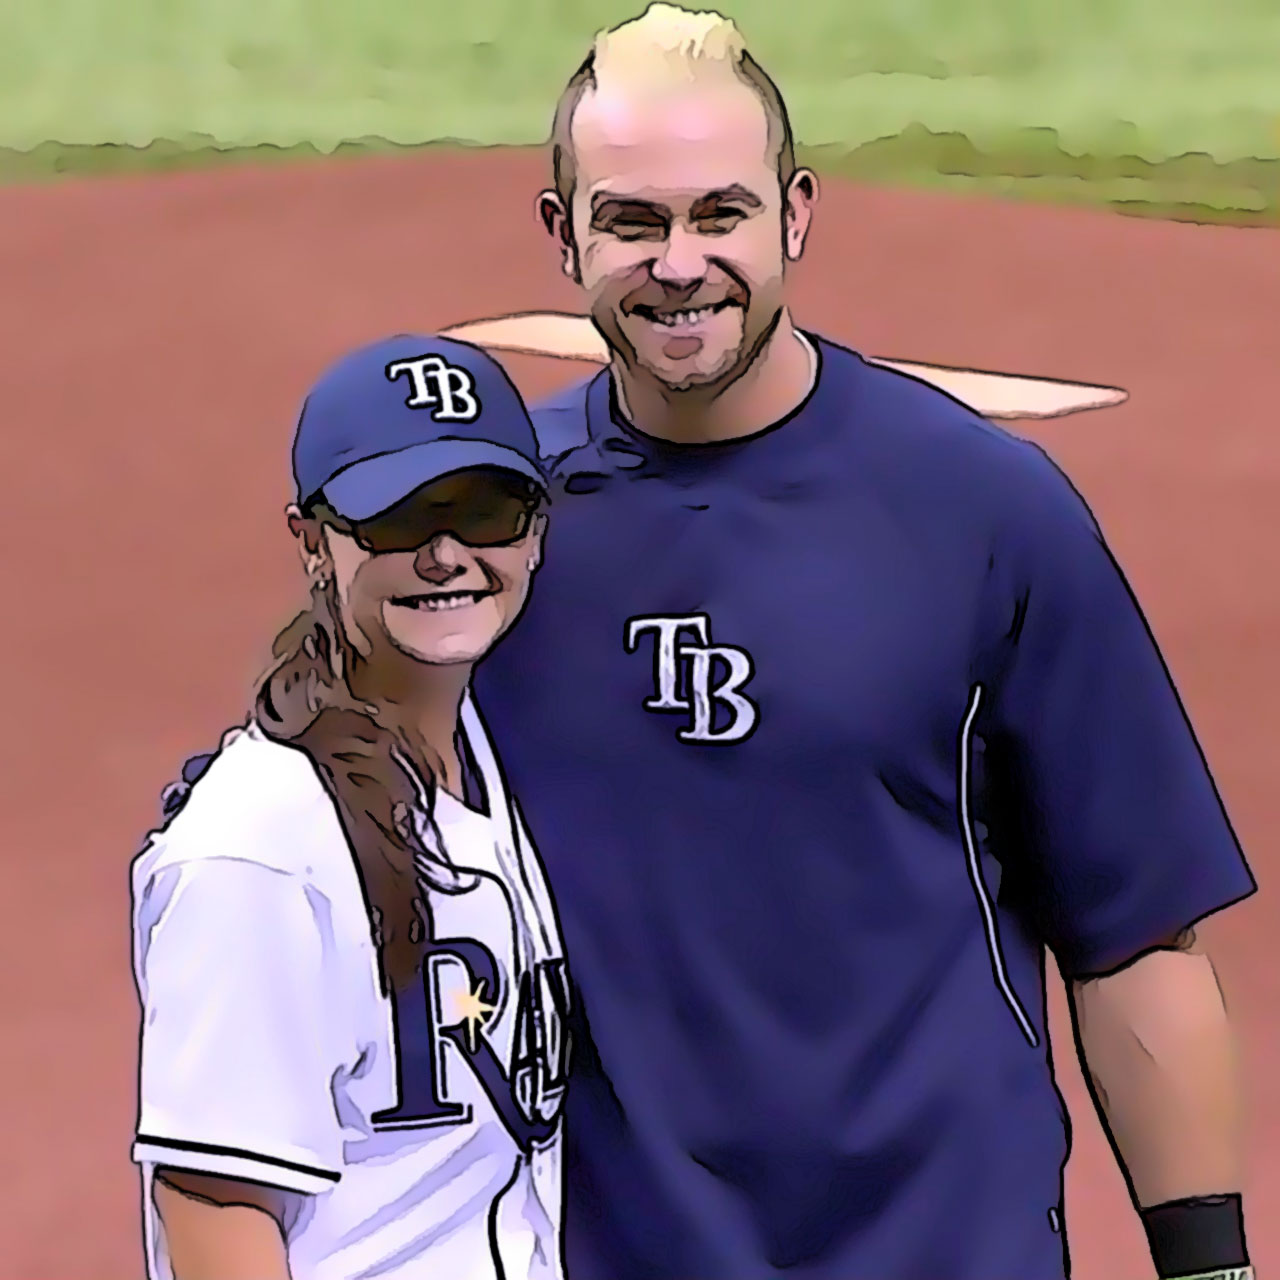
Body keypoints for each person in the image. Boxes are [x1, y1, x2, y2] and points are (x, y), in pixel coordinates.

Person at [160, 8, 1256, 1280]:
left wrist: (1207, 1262)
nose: (679, 262)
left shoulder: (984, 509)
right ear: (560, 233)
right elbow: (332, 771)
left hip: (944, 1246)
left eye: (718, 215)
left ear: (794, 214)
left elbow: (1134, 932)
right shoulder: (499, 534)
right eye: (630, 221)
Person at [130, 335, 569, 1280]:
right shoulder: (258, 847)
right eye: (398, 522)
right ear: (313, 543)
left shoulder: (494, 761)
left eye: (485, 512)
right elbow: (215, 1206)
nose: (447, 555)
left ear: (534, 532)